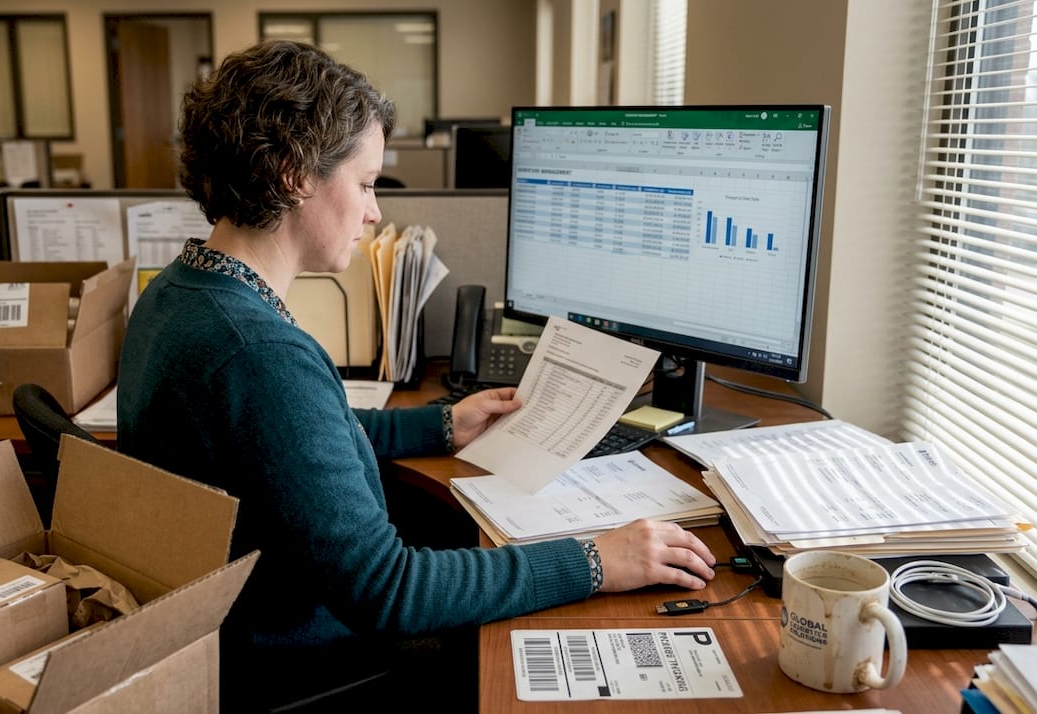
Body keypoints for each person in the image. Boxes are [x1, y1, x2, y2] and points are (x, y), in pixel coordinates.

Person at [117, 39, 717, 712]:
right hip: (295, 651)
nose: (375, 212)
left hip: (235, 625)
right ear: (294, 174)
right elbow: (390, 588)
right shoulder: (258, 353)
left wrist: (437, 423)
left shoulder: (180, 294)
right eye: (367, 183)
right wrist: (596, 561)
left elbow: (288, 445)